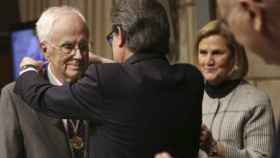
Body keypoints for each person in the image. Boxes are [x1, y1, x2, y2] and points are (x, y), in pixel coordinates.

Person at [13, 0, 204, 158]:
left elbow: (42, 96)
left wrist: (28, 69)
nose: (79, 56)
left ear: (119, 35)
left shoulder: (106, 81)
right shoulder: (192, 78)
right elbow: (139, 79)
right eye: (68, 47)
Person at [0, 6, 91, 158]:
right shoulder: (15, 96)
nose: (79, 56)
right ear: (45, 49)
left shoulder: (100, 88)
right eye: (68, 47)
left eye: (83, 46)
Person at [196, 20, 274, 158]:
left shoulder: (255, 101)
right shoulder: (192, 97)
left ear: (234, 56)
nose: (208, 61)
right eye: (203, 52)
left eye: (217, 53)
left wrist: (214, 147)